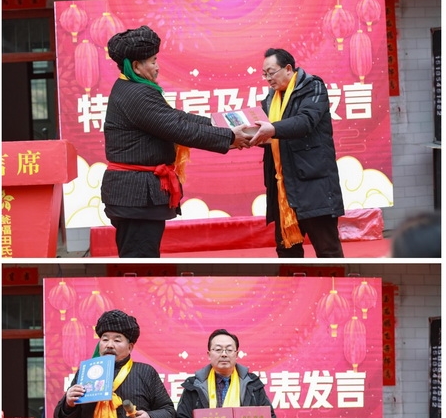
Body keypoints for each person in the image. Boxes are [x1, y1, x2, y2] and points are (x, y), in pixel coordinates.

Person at [102, 25, 251, 258]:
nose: (157, 67)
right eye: (153, 61)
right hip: (136, 197)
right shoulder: (136, 93)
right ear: (136, 66)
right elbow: (178, 128)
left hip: (136, 197)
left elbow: (176, 118)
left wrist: (222, 126)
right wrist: (230, 137)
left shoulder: (130, 88)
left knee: (143, 258)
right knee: (140, 262)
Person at [249, 48, 345, 258]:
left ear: (288, 68)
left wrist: (272, 129)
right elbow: (273, 137)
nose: (268, 79)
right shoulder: (271, 99)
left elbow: (305, 121)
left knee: (327, 250)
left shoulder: (313, 87)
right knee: (286, 251)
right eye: (264, 74)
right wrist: (250, 137)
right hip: (283, 187)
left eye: (271, 72)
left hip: (314, 186)